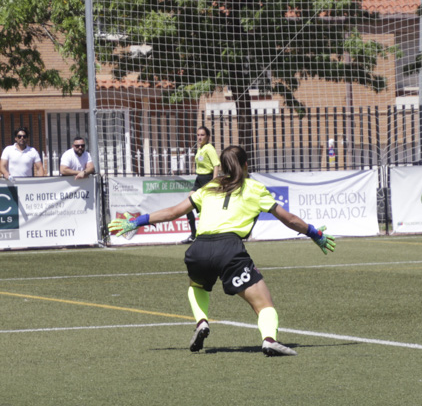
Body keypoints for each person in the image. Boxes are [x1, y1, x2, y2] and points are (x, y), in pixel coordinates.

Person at [108, 145, 336, 357]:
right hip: (229, 249)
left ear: (224, 167)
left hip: (199, 248)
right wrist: (314, 234)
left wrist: (137, 221)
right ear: (246, 166)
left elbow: (174, 212)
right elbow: (289, 219)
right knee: (264, 304)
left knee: (197, 286)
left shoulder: (209, 186)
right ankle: (268, 339)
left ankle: (201, 322)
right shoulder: (254, 188)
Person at [186, 126, 220, 243]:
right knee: (188, 204)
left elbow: (216, 165)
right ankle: (193, 234)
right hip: (199, 179)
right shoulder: (200, 148)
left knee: (205, 207)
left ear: (208, 136)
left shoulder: (209, 148)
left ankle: (210, 233)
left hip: (207, 179)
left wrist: (214, 181)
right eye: (198, 135)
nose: (200, 137)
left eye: (202, 135)